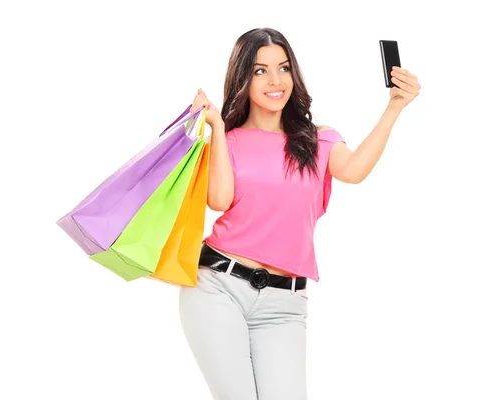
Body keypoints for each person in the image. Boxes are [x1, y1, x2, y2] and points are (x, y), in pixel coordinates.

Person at [178, 27, 421, 400]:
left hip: (285, 303)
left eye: (284, 68)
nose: (276, 81)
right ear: (243, 77)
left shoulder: (318, 139)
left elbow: (354, 170)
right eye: (260, 71)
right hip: (218, 288)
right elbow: (219, 200)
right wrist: (217, 125)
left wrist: (394, 107)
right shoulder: (226, 141)